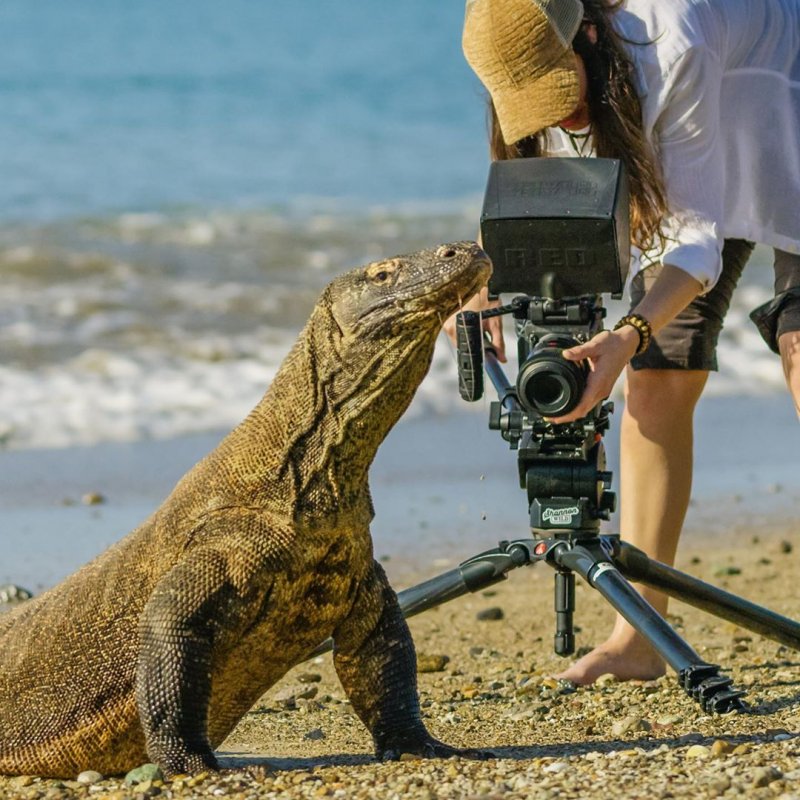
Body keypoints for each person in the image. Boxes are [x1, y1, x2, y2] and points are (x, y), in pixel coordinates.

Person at [453, 0, 800, 683]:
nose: (559, 119)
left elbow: (694, 243)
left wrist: (627, 330)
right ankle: (638, 634)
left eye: (561, 91)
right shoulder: (531, 49)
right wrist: (486, 281)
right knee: (655, 379)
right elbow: (552, 212)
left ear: (587, 34)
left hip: (784, 82)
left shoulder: (670, 37)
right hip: (704, 111)